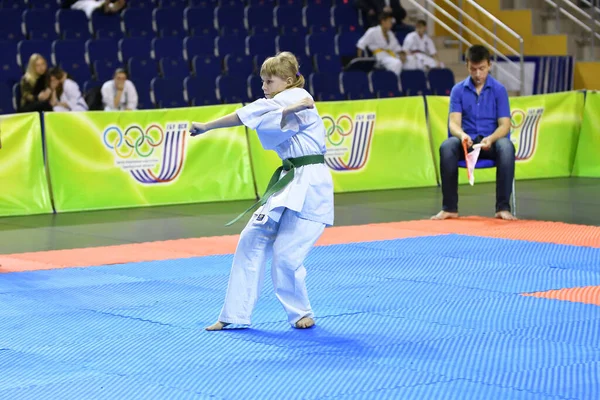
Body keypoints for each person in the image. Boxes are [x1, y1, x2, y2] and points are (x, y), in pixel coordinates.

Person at [189, 52, 334, 331]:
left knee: (286, 254)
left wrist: (287, 110)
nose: (264, 87)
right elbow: (245, 114)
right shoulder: (277, 103)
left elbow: (306, 104)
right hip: (289, 180)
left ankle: (300, 311)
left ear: (289, 81)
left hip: (312, 183)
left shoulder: (298, 97)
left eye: (269, 81)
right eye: (263, 82)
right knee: (250, 238)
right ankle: (234, 313)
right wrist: (206, 127)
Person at [432, 45, 516, 221]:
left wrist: (491, 138)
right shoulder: (458, 90)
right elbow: (453, 123)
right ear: (467, 66)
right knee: (447, 146)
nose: (478, 74)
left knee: (507, 147)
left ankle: (503, 207)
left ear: (489, 65)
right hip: (467, 143)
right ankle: (449, 208)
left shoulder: (499, 90)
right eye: (473, 69)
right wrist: (462, 135)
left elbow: (505, 125)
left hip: (490, 143)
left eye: (482, 69)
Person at [356, 12, 419, 76]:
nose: (391, 24)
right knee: (397, 63)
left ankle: (409, 83)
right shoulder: (372, 31)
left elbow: (397, 47)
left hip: (391, 56)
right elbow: (360, 45)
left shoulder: (390, 33)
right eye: (389, 22)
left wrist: (403, 55)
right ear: (383, 21)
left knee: (412, 61)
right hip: (380, 58)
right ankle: (393, 83)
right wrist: (360, 63)